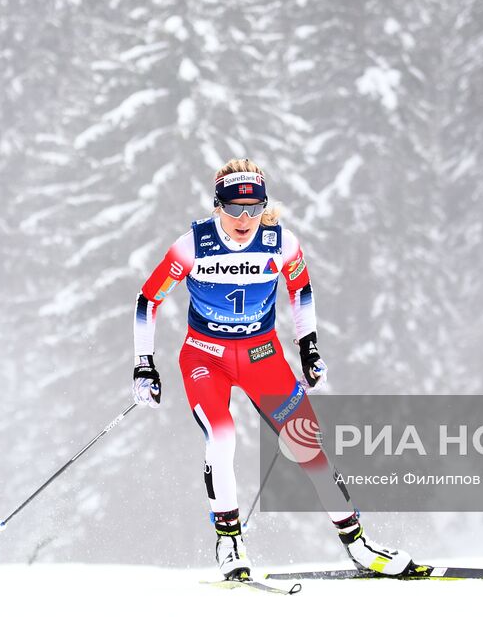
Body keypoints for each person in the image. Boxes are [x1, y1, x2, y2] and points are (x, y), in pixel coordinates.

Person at [130, 158, 416, 580]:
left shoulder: (280, 241)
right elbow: (148, 299)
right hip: (205, 357)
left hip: (261, 356)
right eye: (233, 208)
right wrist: (143, 364)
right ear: (217, 206)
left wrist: (309, 347)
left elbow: (301, 289)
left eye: (254, 208)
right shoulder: (192, 245)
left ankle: (359, 545)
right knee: (222, 437)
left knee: (309, 445)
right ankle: (229, 542)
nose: (244, 219)